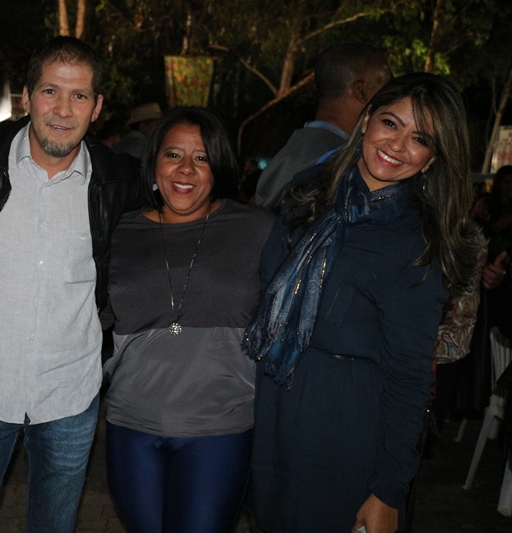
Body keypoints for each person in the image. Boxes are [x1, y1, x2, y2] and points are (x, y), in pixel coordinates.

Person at [244, 73, 483, 533]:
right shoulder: (309, 192)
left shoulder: (415, 243)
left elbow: (410, 377)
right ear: (368, 118)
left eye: (420, 139)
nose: (397, 145)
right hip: (276, 404)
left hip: (346, 421)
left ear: (433, 159)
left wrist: (389, 490)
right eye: (391, 123)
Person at [0, 36, 141, 533]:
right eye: (51, 91)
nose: (63, 110)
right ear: (26, 97)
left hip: (71, 398)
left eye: (79, 95)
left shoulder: (121, 182)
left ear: (97, 107)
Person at [102, 107, 274, 532]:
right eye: (173, 154)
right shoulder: (117, 232)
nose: (185, 169)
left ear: (220, 168)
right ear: (153, 163)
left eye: (202, 158)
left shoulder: (259, 230)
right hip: (130, 424)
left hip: (220, 429)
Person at [255, 43, 391, 211]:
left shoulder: (291, 152)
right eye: (387, 87)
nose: (394, 98)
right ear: (361, 91)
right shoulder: (337, 163)